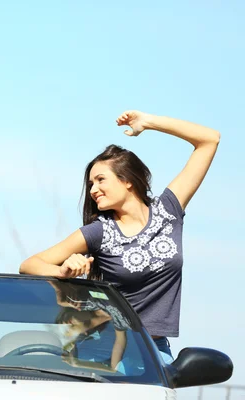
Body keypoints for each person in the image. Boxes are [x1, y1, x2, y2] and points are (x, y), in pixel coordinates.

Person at [20, 110, 220, 361]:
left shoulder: (169, 210)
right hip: (103, 348)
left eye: (101, 180)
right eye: (91, 183)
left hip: (155, 350)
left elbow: (209, 139)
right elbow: (29, 265)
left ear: (127, 181)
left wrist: (149, 122)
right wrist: (62, 271)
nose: (93, 190)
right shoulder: (100, 231)